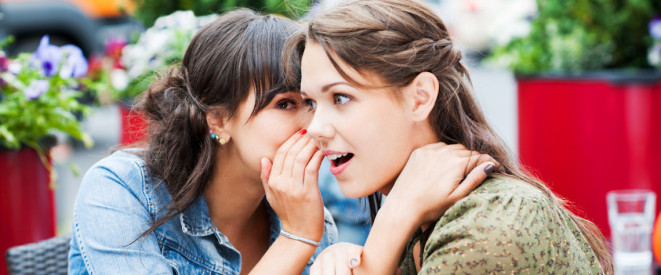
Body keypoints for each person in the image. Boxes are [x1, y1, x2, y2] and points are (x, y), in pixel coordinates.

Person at [68, 7, 495, 275]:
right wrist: (296, 240)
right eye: (288, 105)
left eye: (317, 101)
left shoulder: (308, 216)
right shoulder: (122, 190)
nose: (315, 125)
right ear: (218, 118)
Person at [288, 0, 614, 274]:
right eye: (311, 104)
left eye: (341, 98)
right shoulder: (424, 220)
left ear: (420, 98)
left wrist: (391, 224)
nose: (315, 127)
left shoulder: (486, 227)